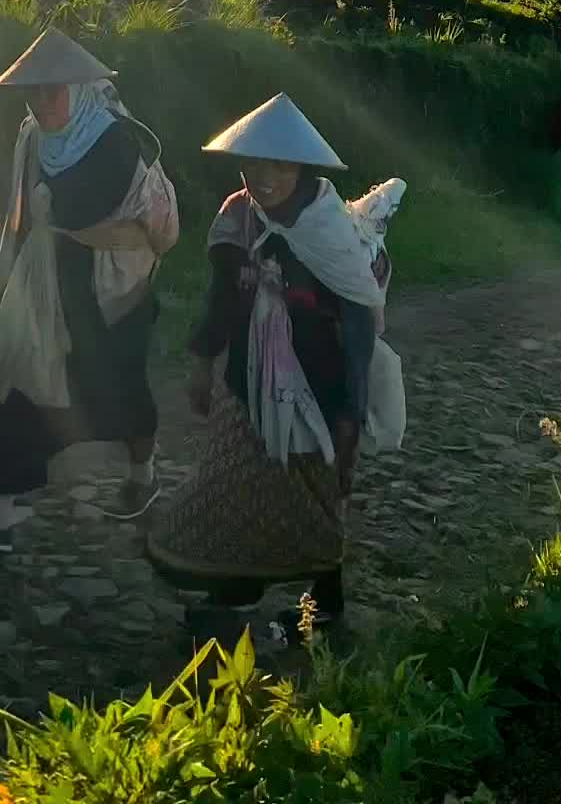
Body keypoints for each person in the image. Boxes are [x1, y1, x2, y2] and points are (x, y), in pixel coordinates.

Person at [146, 92, 398, 636]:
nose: (265, 177)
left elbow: (357, 325)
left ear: (302, 168)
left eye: (280, 165)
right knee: (233, 481)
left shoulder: (327, 231)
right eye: (255, 163)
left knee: (314, 494)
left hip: (318, 387)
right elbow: (221, 297)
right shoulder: (237, 218)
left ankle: (325, 603)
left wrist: (351, 411)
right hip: (246, 378)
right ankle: (234, 590)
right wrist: (201, 361)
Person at [0, 27, 178, 553]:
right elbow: (27, 207)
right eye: (34, 92)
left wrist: (52, 211)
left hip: (112, 287)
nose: (43, 103)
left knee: (120, 388)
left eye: (53, 90)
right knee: (15, 377)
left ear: (79, 88)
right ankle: (2, 510)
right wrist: (14, 268)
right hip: (48, 278)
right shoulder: (35, 137)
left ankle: (143, 474)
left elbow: (87, 209)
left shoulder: (115, 140)